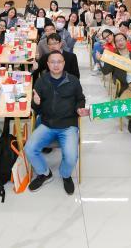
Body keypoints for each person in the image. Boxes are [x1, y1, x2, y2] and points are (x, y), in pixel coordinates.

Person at [25, 50, 88, 194]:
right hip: (47, 124)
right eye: (52, 62)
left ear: (64, 63)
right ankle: (45, 173)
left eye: (59, 62)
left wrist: (79, 108)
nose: (56, 65)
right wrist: (35, 103)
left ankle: (65, 175)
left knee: (71, 157)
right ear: (47, 64)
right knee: (29, 149)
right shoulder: (42, 81)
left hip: (68, 125)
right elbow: (36, 108)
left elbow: (80, 99)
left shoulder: (73, 80)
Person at [100, 33, 131, 134]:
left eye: (122, 39)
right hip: (127, 86)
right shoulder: (114, 58)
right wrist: (101, 59)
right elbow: (105, 71)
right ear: (115, 44)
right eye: (117, 41)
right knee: (122, 106)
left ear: (126, 41)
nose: (120, 42)